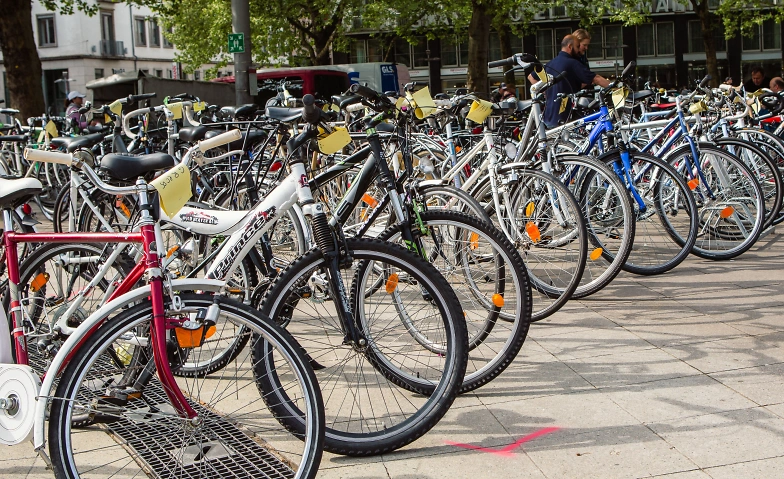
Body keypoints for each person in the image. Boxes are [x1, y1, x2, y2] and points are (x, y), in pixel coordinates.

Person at [540, 35, 610, 128]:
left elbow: (531, 77)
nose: (578, 49)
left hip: (548, 115)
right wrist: (615, 87)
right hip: (564, 116)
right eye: (577, 46)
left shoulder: (550, 64)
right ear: (570, 46)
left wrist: (545, 91)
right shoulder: (572, 63)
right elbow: (596, 78)